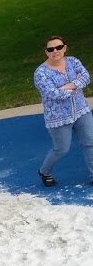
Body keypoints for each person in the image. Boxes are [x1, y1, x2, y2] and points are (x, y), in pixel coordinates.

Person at [33, 35, 92, 187]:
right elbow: (52, 94)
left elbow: (86, 77)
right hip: (59, 117)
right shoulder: (41, 73)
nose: (55, 51)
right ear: (46, 52)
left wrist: (66, 86)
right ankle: (44, 171)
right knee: (61, 149)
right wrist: (75, 86)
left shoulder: (73, 61)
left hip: (81, 110)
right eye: (51, 49)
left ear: (65, 48)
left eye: (59, 47)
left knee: (90, 142)